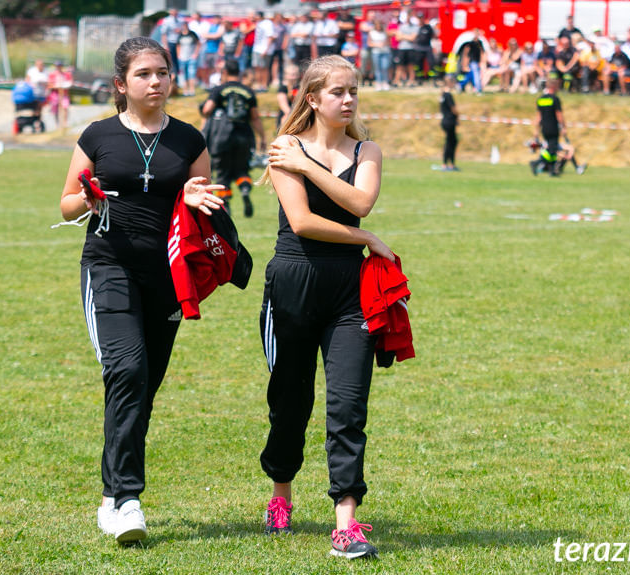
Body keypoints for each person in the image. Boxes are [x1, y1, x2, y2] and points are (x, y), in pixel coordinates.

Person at [58, 36, 225, 545]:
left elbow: (205, 209)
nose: (156, 82)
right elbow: (65, 204)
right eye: (144, 74)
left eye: (163, 73)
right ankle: (127, 499)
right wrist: (86, 198)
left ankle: (111, 494)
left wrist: (197, 196)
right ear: (121, 84)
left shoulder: (190, 140)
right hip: (109, 267)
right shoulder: (98, 135)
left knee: (141, 385)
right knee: (126, 369)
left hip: (169, 277)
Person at [258, 55, 393, 560]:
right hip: (294, 282)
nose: (349, 100)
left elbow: (361, 202)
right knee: (290, 404)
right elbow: (302, 221)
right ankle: (280, 494)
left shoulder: (368, 149)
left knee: (348, 406)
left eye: (354, 90)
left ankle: (346, 522)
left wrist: (310, 167)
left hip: (349, 292)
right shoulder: (284, 147)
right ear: (312, 99)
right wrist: (365, 238)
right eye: (338, 91)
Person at [200, 58, 266, 218]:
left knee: (222, 173)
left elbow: (207, 109)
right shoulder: (248, 91)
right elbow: (255, 117)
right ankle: (244, 188)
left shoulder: (219, 90)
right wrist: (262, 137)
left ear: (224, 72)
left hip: (222, 136)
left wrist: (204, 111)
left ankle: (226, 204)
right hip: (244, 135)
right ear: (239, 72)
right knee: (242, 169)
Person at [532, 77, 568, 176]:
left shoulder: (541, 99)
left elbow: (538, 117)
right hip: (553, 127)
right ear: (553, 86)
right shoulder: (555, 99)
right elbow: (559, 115)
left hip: (544, 128)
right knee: (552, 149)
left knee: (553, 148)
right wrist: (563, 127)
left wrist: (536, 130)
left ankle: (552, 171)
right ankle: (536, 162)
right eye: (557, 86)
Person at [436, 74, 458, 171]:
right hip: (450, 121)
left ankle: (447, 163)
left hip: (445, 121)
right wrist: (458, 115)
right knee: (451, 142)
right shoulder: (448, 95)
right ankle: (449, 164)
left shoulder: (442, 94)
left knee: (450, 142)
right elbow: (453, 109)